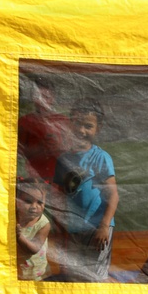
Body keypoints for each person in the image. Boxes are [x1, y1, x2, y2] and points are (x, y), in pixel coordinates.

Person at [50, 97, 119, 282]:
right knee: (76, 274)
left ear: (98, 128)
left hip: (97, 229)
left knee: (95, 276)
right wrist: (59, 226)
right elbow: (58, 195)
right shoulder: (63, 159)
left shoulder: (101, 157)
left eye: (88, 126)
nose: (81, 130)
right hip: (74, 228)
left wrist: (104, 226)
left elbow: (113, 194)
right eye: (77, 124)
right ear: (70, 124)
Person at [18, 76, 71, 184]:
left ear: (52, 98)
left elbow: (71, 150)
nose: (42, 102)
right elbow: (19, 152)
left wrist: (57, 148)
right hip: (34, 179)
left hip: (58, 178)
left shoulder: (63, 121)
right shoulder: (24, 122)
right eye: (39, 97)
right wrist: (40, 149)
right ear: (33, 98)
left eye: (46, 97)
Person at [16, 177, 52, 280]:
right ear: (17, 201)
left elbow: (34, 248)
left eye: (40, 202)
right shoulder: (14, 217)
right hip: (16, 270)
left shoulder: (44, 224)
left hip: (35, 272)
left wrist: (19, 236)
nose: (34, 206)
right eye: (28, 201)